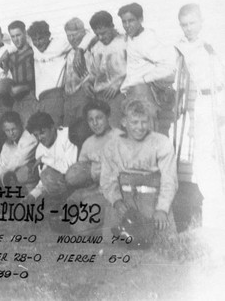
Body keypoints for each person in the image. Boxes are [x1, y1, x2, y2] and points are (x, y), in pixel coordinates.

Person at [175, 3, 225, 230]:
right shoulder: (183, 46)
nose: (188, 28)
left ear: (202, 21)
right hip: (203, 101)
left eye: (192, 23)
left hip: (220, 95)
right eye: (184, 25)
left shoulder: (213, 41)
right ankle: (211, 206)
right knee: (203, 155)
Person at [101, 99, 178, 237]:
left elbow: (169, 179)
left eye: (144, 122)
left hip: (151, 199)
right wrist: (117, 202)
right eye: (134, 122)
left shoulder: (161, 142)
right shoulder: (112, 145)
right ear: (124, 122)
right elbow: (107, 179)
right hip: (124, 200)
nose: (140, 127)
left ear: (150, 122)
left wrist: (162, 208)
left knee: (159, 239)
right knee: (112, 240)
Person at [118, 2, 177, 135]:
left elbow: (168, 66)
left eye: (131, 21)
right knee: (134, 137)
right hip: (132, 93)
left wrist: (145, 79)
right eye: (124, 22)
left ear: (141, 19)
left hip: (143, 93)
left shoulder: (148, 40)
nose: (127, 25)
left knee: (147, 135)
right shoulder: (131, 37)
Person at [64, 100, 121, 235]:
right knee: (69, 208)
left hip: (112, 193)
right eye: (91, 120)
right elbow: (81, 174)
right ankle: (99, 219)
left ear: (108, 116)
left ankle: (110, 227)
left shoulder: (119, 138)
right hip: (94, 190)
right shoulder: (88, 143)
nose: (95, 123)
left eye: (99, 118)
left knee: (80, 229)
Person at [26, 20, 92, 126]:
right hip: (39, 100)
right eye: (35, 40)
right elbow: (20, 40)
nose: (38, 43)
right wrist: (7, 52)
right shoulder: (34, 46)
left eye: (41, 39)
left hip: (55, 97)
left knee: (54, 129)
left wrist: (80, 49)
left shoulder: (60, 44)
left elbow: (89, 34)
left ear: (48, 36)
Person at [84, 10, 126, 129]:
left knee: (116, 130)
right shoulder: (96, 47)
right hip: (99, 97)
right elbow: (93, 72)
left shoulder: (124, 43)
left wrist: (119, 83)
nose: (101, 37)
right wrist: (87, 82)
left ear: (112, 27)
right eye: (97, 34)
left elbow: (135, 69)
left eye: (104, 33)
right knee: (100, 131)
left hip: (118, 95)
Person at [25, 112, 77, 201]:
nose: (39, 138)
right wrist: (33, 195)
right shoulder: (40, 150)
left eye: (42, 133)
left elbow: (69, 169)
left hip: (76, 182)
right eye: (36, 135)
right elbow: (44, 180)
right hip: (60, 187)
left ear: (52, 128)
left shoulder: (67, 135)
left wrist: (44, 159)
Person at [0, 111, 38, 192]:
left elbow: (17, 162)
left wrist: (0, 179)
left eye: (13, 129)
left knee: (21, 172)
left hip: (30, 177)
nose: (11, 133)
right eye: (7, 130)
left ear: (20, 125)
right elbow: (1, 165)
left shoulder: (30, 139)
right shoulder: (7, 144)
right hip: (13, 178)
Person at [62, 18, 96, 127]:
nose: (71, 39)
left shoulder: (91, 47)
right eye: (69, 35)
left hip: (84, 95)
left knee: (83, 128)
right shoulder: (70, 51)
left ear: (83, 33)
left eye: (74, 35)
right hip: (68, 97)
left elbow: (91, 35)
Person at [5, 20, 36, 126]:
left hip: (31, 98)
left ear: (25, 33)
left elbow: (38, 78)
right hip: (16, 101)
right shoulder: (11, 57)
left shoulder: (33, 52)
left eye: (18, 35)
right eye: (12, 36)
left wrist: (23, 88)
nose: (16, 39)